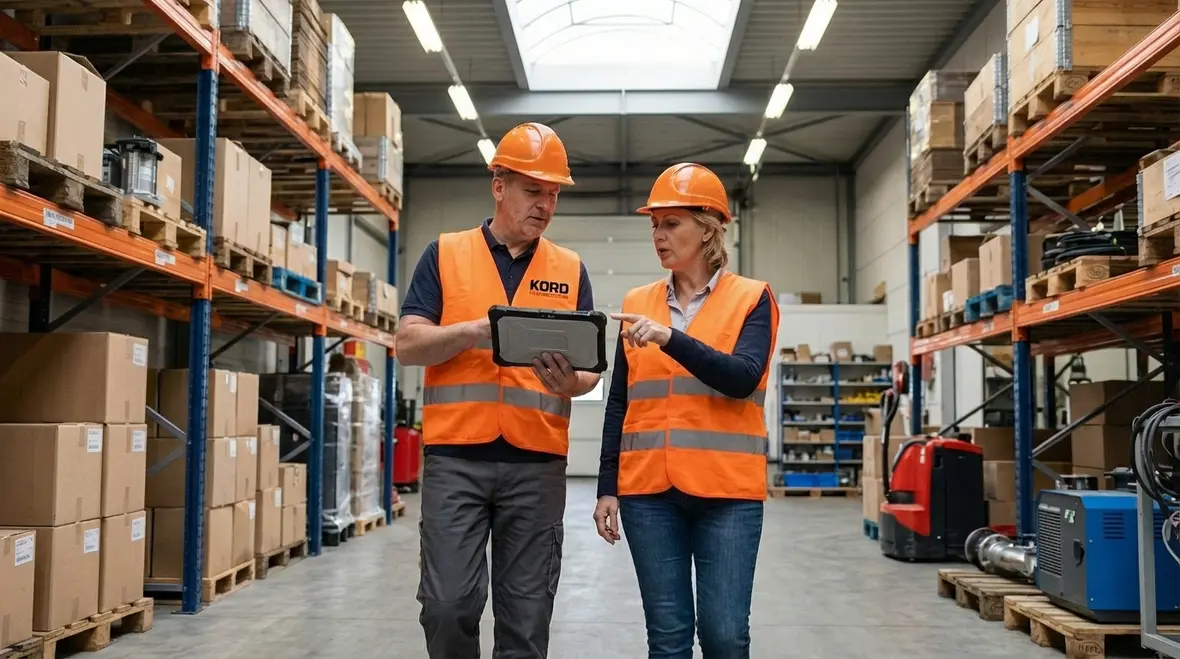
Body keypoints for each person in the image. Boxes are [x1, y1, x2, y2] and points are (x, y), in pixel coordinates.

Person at [396, 122, 601, 658]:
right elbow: (408, 345)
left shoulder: (570, 269)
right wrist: (470, 332)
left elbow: (589, 373)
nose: (544, 205)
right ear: (499, 185)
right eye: (534, 190)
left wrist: (571, 382)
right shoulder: (444, 255)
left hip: (536, 465)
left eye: (553, 194)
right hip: (455, 460)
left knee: (527, 615)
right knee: (447, 605)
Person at [593, 163, 779, 659]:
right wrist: (607, 486)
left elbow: (742, 378)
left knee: (724, 636)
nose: (658, 235)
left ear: (708, 226)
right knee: (669, 639)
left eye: (671, 223)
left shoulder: (751, 298)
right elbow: (620, 402)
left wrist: (671, 338)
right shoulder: (638, 302)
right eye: (654, 224)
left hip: (729, 495)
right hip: (649, 493)